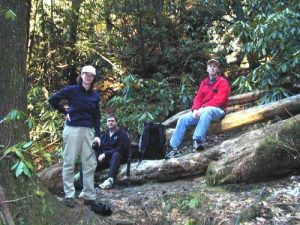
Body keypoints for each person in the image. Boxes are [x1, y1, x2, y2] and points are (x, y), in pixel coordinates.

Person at [48, 65, 101, 208]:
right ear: (81, 75)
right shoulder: (72, 90)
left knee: (90, 163)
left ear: (94, 78)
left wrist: (98, 135)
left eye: (91, 75)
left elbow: (97, 116)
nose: (88, 77)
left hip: (89, 131)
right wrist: (65, 112)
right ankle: (69, 195)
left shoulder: (95, 95)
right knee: (69, 162)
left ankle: (89, 196)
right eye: (86, 74)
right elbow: (52, 99)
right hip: (73, 129)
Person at [165, 59, 231, 159]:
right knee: (182, 119)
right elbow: (198, 98)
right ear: (207, 69)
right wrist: (195, 109)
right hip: (202, 111)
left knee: (207, 111)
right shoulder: (204, 83)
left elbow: (220, 99)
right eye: (210, 66)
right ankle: (173, 148)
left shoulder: (222, 82)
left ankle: (198, 141)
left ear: (217, 69)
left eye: (214, 66)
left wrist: (203, 108)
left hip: (218, 110)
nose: (212, 68)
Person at [95, 114, 130, 190]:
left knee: (116, 154)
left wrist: (105, 154)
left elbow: (121, 149)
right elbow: (100, 148)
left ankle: (110, 180)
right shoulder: (104, 135)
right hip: (105, 160)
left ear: (116, 122)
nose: (110, 122)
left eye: (112, 121)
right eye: (109, 121)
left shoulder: (122, 134)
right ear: (106, 123)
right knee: (92, 155)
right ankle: (84, 181)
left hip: (118, 159)